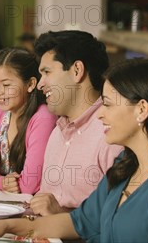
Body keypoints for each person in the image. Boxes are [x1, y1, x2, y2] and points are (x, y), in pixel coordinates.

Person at [0, 58, 148, 242]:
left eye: (107, 104)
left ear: (142, 109)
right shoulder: (125, 165)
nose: (101, 114)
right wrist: (7, 227)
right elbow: (78, 221)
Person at [30, 30, 122, 216]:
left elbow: (119, 222)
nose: (40, 84)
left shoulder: (112, 133)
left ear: (77, 70)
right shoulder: (57, 131)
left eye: (47, 72)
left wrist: (62, 216)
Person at [0, 48, 57, 194]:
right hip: (0, 200)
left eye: (6, 85)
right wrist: (2, 182)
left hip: (32, 205)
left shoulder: (44, 118)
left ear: (31, 84)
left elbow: (29, 185)